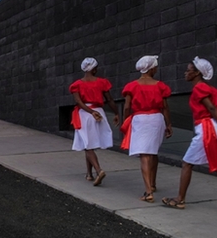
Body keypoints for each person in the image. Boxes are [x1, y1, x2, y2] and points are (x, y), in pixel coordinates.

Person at [162, 57, 217, 215]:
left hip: (208, 129)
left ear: (198, 73)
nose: (185, 73)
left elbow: (212, 109)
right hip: (215, 128)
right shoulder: (213, 90)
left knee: (187, 163)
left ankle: (180, 199)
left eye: (188, 70)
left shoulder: (199, 88)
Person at [121, 55, 173, 202]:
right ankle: (153, 184)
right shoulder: (160, 85)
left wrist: (126, 122)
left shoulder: (131, 86)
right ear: (151, 68)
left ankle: (148, 191)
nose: (156, 69)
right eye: (155, 67)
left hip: (140, 119)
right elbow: (165, 107)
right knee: (153, 152)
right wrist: (168, 124)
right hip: (156, 118)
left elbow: (126, 107)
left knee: (144, 155)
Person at [69, 57, 119, 186]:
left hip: (86, 113)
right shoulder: (102, 82)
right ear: (94, 69)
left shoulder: (77, 84)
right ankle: (89, 174)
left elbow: (79, 102)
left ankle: (98, 171)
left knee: (87, 145)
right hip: (99, 112)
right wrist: (116, 113)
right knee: (89, 144)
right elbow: (109, 99)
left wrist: (90, 112)